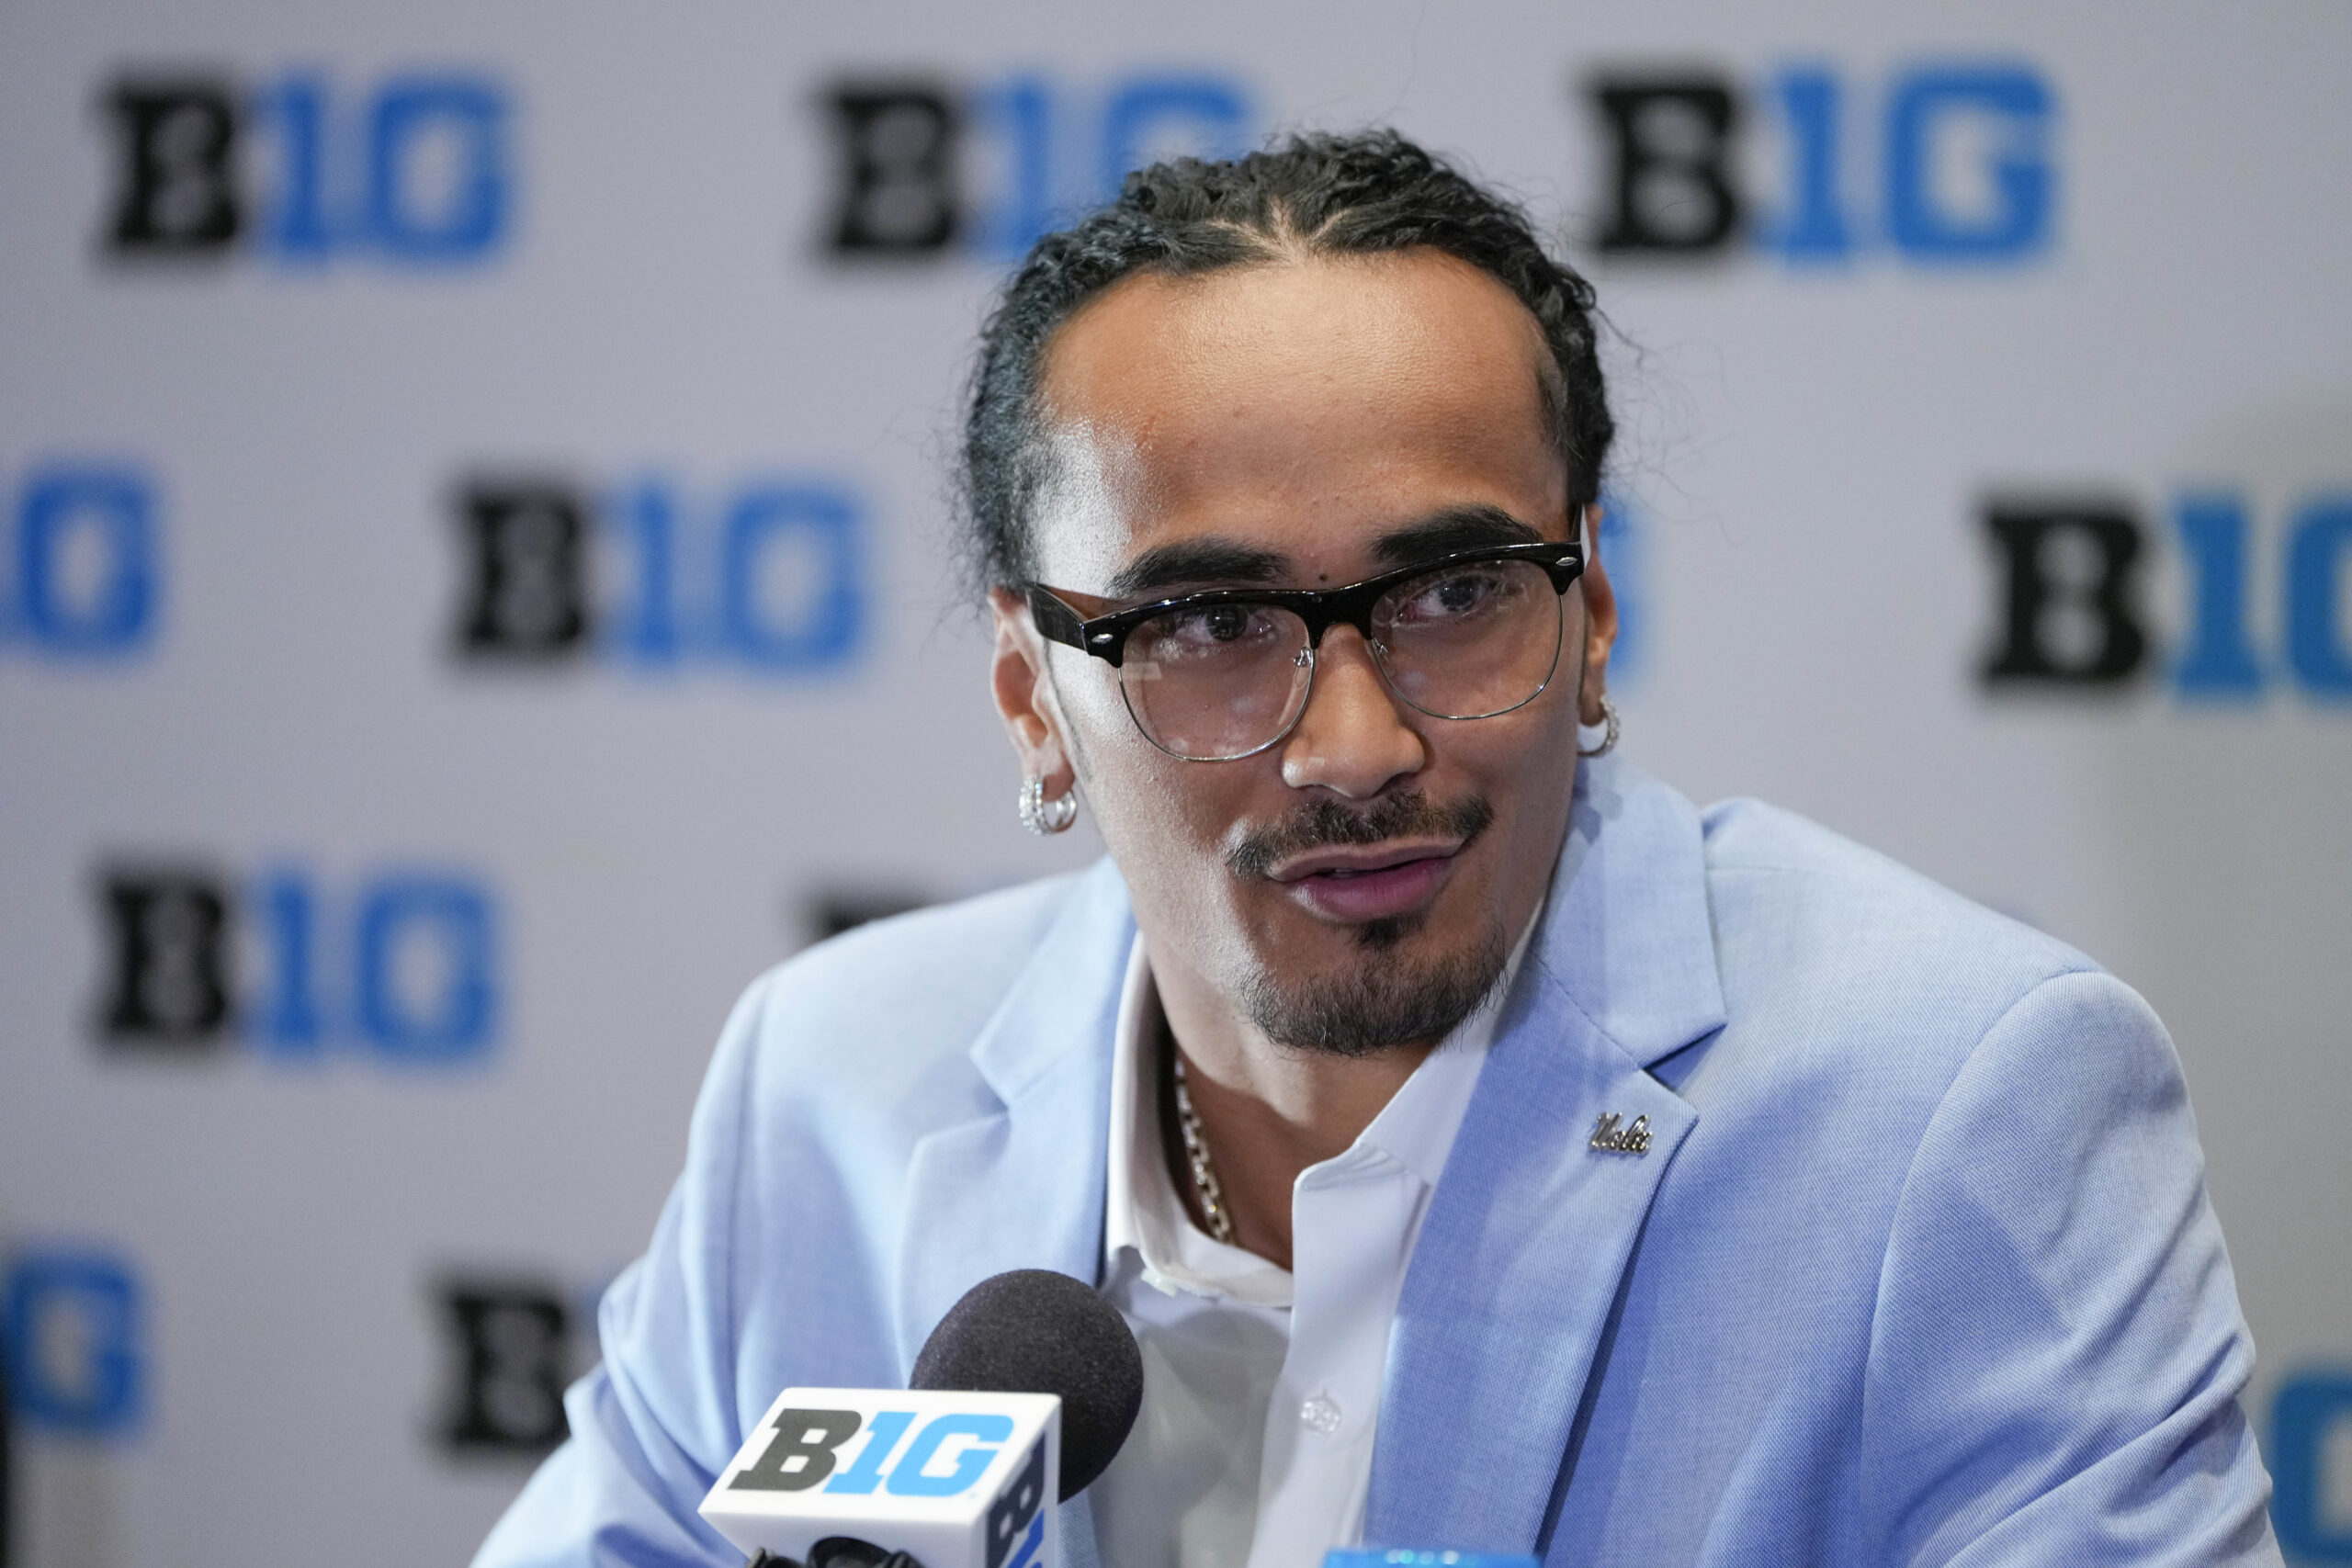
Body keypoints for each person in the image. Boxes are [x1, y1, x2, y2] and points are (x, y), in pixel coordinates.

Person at [474, 130, 2279, 1568]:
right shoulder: (828, 1090)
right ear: (1031, 698)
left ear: (1592, 610)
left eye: (1455, 593)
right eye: (1208, 625)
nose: (1356, 746)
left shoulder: (1951, 1104)